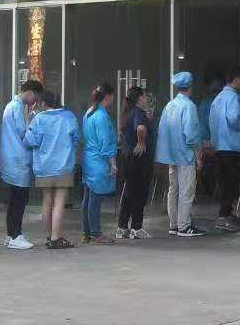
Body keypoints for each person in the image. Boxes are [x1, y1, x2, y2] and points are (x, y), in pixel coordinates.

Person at [24, 90, 80, 249]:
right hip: (64, 166)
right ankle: (56, 237)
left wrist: (28, 123)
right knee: (59, 202)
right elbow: (76, 139)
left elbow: (30, 141)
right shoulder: (69, 117)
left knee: (47, 200)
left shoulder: (38, 119)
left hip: (44, 167)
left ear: (43, 103)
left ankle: (50, 236)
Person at [156, 71, 204, 238]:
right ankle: (184, 226)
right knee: (186, 191)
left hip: (171, 155)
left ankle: (174, 224)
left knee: (173, 190)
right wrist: (198, 157)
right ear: (190, 86)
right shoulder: (189, 106)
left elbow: (162, 131)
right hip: (185, 155)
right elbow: (191, 136)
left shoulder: (169, 105)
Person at [0, 79, 44, 250]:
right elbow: (25, 134)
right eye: (36, 98)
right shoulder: (18, 108)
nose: (35, 102)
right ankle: (15, 235)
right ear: (30, 93)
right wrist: (32, 121)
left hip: (13, 159)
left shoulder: (13, 106)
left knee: (14, 200)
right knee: (19, 200)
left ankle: (12, 234)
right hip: (18, 159)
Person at [81, 84, 118, 245]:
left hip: (89, 159)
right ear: (108, 96)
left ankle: (87, 232)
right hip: (99, 161)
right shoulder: (101, 116)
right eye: (112, 95)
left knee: (88, 197)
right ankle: (96, 233)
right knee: (95, 199)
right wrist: (113, 163)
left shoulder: (89, 112)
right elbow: (105, 142)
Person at [209, 71, 240, 231]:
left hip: (219, 146)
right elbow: (234, 118)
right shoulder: (233, 97)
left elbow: (211, 122)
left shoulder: (217, 99)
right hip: (231, 147)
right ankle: (224, 216)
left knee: (224, 182)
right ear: (235, 79)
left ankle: (227, 214)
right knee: (231, 183)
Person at [117, 88, 154, 240]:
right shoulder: (138, 113)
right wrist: (141, 142)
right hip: (137, 158)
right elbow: (140, 128)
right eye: (145, 96)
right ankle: (136, 227)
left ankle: (122, 227)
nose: (146, 99)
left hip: (128, 156)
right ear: (139, 98)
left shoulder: (129, 112)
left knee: (129, 192)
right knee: (139, 193)